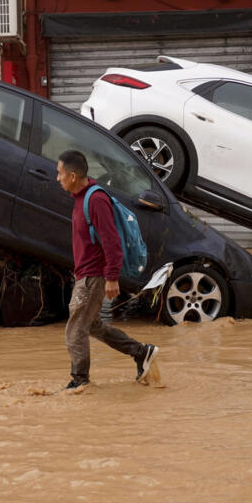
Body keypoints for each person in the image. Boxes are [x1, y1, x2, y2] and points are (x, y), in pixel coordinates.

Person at [57, 150, 158, 390]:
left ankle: (79, 382)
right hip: (85, 274)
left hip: (93, 276)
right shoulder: (81, 198)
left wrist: (112, 277)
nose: (57, 178)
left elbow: (112, 242)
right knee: (91, 326)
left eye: (59, 173)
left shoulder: (95, 200)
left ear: (72, 176)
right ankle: (141, 352)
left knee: (76, 328)